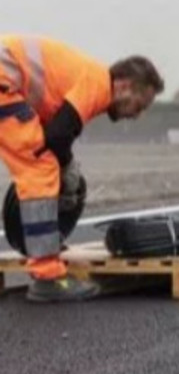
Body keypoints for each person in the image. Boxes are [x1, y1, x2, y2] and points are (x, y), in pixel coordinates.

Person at [0, 35, 164, 303]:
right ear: (123, 85)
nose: (137, 115)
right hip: (4, 79)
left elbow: (53, 132)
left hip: (7, 80)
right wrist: (67, 169)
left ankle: (44, 247)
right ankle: (47, 276)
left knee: (41, 156)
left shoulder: (87, 77)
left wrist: (66, 165)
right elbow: (56, 138)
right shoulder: (97, 84)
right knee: (40, 167)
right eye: (140, 104)